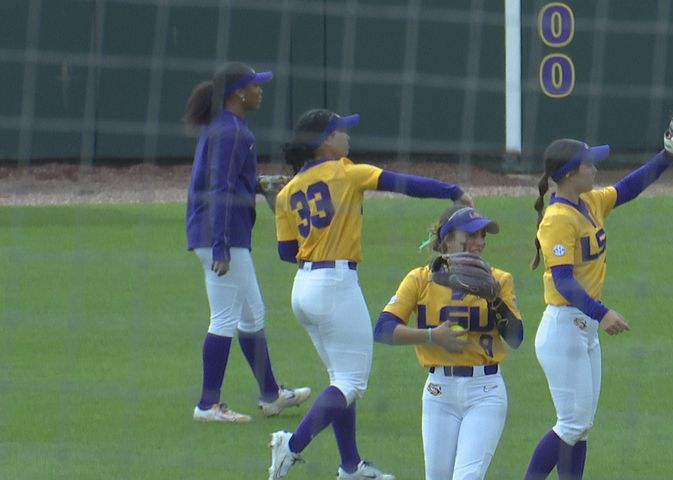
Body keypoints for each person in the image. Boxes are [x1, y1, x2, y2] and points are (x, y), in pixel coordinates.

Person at [267, 108, 474, 480]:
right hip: (335, 286)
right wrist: (452, 191)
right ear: (324, 141)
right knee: (351, 383)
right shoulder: (347, 172)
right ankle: (291, 445)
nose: (346, 135)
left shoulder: (286, 192)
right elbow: (402, 183)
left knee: (340, 378)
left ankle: (351, 466)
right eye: (340, 130)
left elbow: (286, 253)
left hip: (303, 289)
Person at [524, 139, 673, 479]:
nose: (595, 169)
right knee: (572, 423)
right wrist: (604, 312)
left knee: (581, 427)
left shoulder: (589, 202)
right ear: (569, 174)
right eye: (589, 165)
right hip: (563, 330)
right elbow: (565, 282)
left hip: (583, 330)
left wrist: (668, 154)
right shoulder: (557, 220)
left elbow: (629, 187)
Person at [184, 62, 310, 423]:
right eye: (256, 86)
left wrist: (257, 184)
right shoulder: (231, 131)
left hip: (221, 231)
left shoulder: (229, 127)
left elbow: (227, 180)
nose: (260, 91)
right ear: (239, 92)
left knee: (252, 313)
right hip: (220, 234)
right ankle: (208, 404)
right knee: (224, 317)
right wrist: (222, 246)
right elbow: (220, 187)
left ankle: (271, 394)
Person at [373, 205, 524, 480]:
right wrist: (431, 336)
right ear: (447, 239)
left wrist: (494, 300)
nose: (479, 242)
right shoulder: (420, 278)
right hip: (439, 393)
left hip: (486, 391)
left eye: (482, 235)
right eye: (471, 234)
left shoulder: (499, 280)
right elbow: (383, 329)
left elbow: (515, 338)